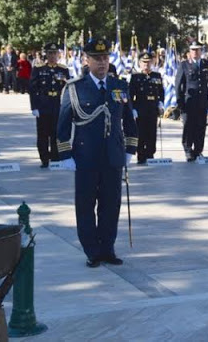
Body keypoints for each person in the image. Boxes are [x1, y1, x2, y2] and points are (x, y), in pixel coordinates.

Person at [57, 38, 138, 267]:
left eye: (105, 58)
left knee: (110, 205)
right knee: (85, 205)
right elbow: (63, 125)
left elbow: (129, 121)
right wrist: (65, 155)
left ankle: (107, 248)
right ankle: (92, 250)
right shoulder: (75, 88)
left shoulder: (119, 86)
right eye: (96, 59)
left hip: (113, 156)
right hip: (85, 157)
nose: (102, 63)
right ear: (86, 60)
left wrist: (130, 149)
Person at [29, 43, 70, 168]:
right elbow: (32, 88)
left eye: (55, 53)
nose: (52, 56)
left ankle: (55, 157)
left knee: (56, 132)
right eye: (50, 53)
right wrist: (34, 107)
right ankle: (44, 159)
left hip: (58, 103)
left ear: (58, 54)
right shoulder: (39, 68)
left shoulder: (63, 69)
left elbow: (68, 88)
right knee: (43, 134)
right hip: (43, 103)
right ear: (46, 54)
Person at [175, 41, 208, 162]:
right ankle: (188, 150)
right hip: (189, 102)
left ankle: (198, 151)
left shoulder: (206, 64)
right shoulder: (184, 65)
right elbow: (178, 85)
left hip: (202, 102)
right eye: (193, 50)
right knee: (189, 127)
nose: (195, 52)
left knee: (200, 127)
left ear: (201, 51)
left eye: (198, 50)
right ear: (189, 51)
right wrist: (180, 102)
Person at [129, 52, 164, 164]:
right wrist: (133, 109)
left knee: (152, 133)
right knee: (141, 133)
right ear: (140, 63)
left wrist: (161, 103)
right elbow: (130, 95)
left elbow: (161, 92)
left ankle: (150, 154)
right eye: (144, 62)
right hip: (141, 108)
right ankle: (141, 155)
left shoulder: (156, 76)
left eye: (148, 62)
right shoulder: (136, 77)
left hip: (153, 108)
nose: (146, 64)